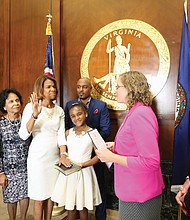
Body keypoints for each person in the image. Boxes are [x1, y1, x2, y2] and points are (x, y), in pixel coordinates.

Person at [96, 71, 165, 220]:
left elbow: (151, 161)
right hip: (133, 190)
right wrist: (116, 146)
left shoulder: (140, 113)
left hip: (140, 195)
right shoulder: (135, 111)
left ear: (130, 88)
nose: (115, 90)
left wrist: (112, 157)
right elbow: (136, 144)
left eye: (118, 86)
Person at [19, 75, 67, 220]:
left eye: (54, 86)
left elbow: (61, 135)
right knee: (39, 198)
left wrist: (63, 154)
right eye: (48, 87)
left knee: (51, 196)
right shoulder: (30, 107)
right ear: (41, 89)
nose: (52, 89)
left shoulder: (59, 110)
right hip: (38, 158)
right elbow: (23, 135)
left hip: (54, 159)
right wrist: (34, 115)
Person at [64, 77, 111, 220]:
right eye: (78, 87)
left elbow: (106, 129)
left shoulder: (100, 106)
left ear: (90, 88)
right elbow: (67, 127)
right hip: (75, 155)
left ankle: (100, 216)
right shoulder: (70, 105)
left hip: (93, 153)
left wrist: (89, 141)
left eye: (84, 87)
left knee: (98, 187)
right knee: (73, 196)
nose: (81, 90)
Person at [51, 102, 102, 220]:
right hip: (69, 173)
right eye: (73, 116)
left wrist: (83, 164)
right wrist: (63, 157)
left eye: (79, 114)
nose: (76, 118)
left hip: (85, 172)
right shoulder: (68, 133)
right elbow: (62, 148)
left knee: (82, 207)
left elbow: (100, 156)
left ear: (86, 114)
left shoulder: (93, 133)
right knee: (70, 206)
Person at [0, 88, 30, 220]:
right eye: (11, 101)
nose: (16, 103)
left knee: (24, 195)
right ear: (4, 106)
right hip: (8, 169)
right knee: (11, 198)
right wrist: (1, 172)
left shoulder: (26, 120)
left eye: (17, 100)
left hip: (26, 166)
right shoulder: (1, 124)